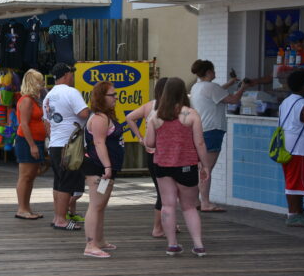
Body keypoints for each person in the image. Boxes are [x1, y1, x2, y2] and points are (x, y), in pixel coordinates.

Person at [145, 77, 210, 257]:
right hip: (186, 166)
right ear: (183, 92)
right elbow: (200, 143)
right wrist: (205, 166)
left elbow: (149, 142)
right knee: (189, 207)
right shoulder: (191, 114)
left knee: (168, 205)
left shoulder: (155, 116)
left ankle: (172, 244)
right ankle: (198, 245)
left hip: (162, 165)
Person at [190, 59, 246, 212]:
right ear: (208, 72)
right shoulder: (211, 87)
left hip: (200, 131)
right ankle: (206, 203)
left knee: (200, 168)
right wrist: (243, 87)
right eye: (213, 70)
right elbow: (233, 100)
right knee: (206, 169)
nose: (215, 73)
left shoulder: (197, 87)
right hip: (213, 130)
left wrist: (230, 83)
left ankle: (196, 200)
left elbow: (217, 94)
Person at [43, 63, 89, 231]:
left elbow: (46, 123)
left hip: (55, 144)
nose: (73, 77)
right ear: (66, 75)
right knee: (67, 183)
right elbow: (84, 114)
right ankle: (61, 220)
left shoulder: (48, 96)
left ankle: (57, 217)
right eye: (71, 73)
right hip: (70, 145)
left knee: (59, 181)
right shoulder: (71, 92)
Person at [81, 81, 124, 258]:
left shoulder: (105, 116)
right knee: (96, 205)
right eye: (112, 95)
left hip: (106, 167)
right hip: (98, 167)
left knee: (101, 205)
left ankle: (99, 240)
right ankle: (90, 245)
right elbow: (99, 143)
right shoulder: (99, 118)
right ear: (101, 97)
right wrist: (107, 166)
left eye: (115, 94)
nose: (115, 98)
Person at [126, 77, 170, 237]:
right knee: (165, 193)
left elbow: (129, 117)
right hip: (165, 155)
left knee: (165, 192)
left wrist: (140, 137)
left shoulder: (150, 105)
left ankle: (168, 223)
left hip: (151, 153)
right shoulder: (173, 109)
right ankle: (158, 228)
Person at [279, 70, 304, 227]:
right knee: (295, 182)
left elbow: (296, 120)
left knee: (293, 180)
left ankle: (298, 211)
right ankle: (293, 214)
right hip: (300, 148)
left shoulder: (285, 102)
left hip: (286, 146)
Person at [14, 69, 47, 220]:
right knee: (25, 176)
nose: (43, 84)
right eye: (40, 81)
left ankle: (27, 207)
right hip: (27, 141)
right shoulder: (27, 100)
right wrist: (32, 145)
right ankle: (22, 208)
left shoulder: (34, 100)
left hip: (36, 141)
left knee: (31, 176)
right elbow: (24, 125)